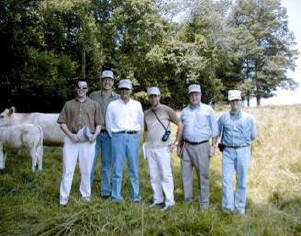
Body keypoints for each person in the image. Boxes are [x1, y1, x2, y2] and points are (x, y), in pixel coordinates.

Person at [57, 79, 101, 206]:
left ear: (87, 89)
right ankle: (63, 199)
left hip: (88, 141)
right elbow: (62, 123)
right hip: (72, 140)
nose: (81, 89)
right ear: (76, 89)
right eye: (79, 87)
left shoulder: (94, 104)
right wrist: (71, 135)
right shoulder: (68, 104)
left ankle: (86, 196)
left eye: (84, 87)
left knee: (86, 170)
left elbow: (98, 124)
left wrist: (95, 135)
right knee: (68, 170)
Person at [177, 84, 219, 210]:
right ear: (189, 96)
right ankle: (187, 201)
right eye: (192, 94)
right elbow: (180, 130)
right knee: (185, 175)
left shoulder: (208, 110)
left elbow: (215, 130)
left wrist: (213, 146)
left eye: (196, 94)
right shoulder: (184, 112)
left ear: (200, 95)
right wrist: (179, 145)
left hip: (202, 146)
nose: (194, 96)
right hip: (187, 147)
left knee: (203, 176)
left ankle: (204, 204)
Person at [218, 90, 257, 215]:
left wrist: (242, 144)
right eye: (232, 100)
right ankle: (227, 208)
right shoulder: (223, 117)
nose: (235, 102)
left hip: (243, 151)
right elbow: (217, 132)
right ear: (229, 102)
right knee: (226, 180)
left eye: (237, 100)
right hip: (228, 151)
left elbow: (253, 136)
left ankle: (240, 207)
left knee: (242, 180)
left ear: (240, 101)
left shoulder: (249, 119)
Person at [144, 87, 182, 211]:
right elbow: (145, 130)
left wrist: (176, 142)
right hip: (150, 148)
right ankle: (158, 200)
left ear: (159, 96)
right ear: (148, 98)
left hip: (163, 149)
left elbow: (180, 124)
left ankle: (170, 202)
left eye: (155, 96)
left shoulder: (167, 110)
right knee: (154, 176)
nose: (153, 98)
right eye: (151, 96)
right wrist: (144, 144)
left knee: (165, 175)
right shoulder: (146, 113)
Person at [106, 79, 144, 203]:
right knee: (117, 167)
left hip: (133, 137)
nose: (124, 92)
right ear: (119, 90)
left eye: (126, 89)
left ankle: (135, 196)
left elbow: (141, 121)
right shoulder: (112, 105)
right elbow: (108, 123)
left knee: (133, 168)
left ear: (131, 90)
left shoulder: (137, 105)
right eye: (122, 89)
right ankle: (116, 196)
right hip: (117, 137)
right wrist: (116, 135)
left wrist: (136, 135)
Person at [89, 70, 119, 198]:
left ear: (113, 82)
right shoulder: (93, 96)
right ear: (101, 81)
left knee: (107, 163)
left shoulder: (117, 98)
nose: (107, 82)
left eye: (109, 80)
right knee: (90, 162)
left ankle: (105, 191)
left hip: (109, 135)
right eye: (105, 79)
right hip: (94, 133)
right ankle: (86, 189)